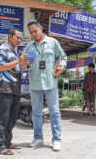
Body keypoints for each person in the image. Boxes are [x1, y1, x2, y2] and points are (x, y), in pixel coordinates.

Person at [23, 19, 67, 151]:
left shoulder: (53, 43)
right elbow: (26, 66)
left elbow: (63, 57)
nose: (33, 34)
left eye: (35, 31)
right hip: (35, 84)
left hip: (51, 82)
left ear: (41, 28)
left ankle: (57, 140)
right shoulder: (29, 47)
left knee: (54, 112)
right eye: (31, 32)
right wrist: (29, 65)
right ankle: (38, 138)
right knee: (36, 113)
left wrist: (62, 67)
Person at [0, 28, 29, 155]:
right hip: (5, 87)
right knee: (3, 118)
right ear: (10, 36)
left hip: (15, 89)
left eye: (21, 38)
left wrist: (23, 63)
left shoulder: (14, 52)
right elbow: (0, 66)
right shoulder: (2, 49)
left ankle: (8, 142)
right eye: (17, 38)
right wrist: (19, 61)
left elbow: (17, 71)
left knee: (13, 118)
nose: (19, 40)